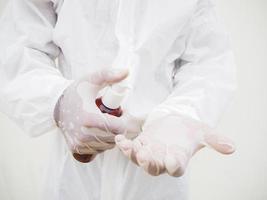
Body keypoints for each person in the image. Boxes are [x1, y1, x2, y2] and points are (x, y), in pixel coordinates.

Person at [0, 0, 236, 199]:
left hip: (158, 160)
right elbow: (17, 48)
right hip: (74, 170)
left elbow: (208, 59)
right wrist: (59, 102)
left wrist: (182, 114)